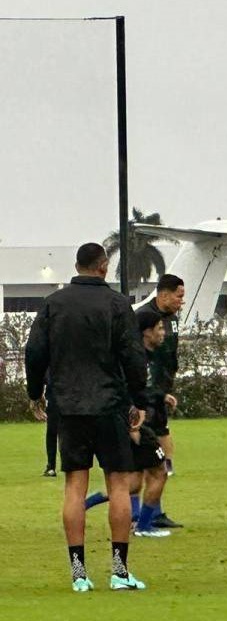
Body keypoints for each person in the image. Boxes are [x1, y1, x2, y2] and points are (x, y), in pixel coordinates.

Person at [25, 242, 150, 592]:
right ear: (103, 266)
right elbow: (133, 355)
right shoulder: (117, 304)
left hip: (69, 406)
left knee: (74, 488)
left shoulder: (54, 303)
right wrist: (138, 399)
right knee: (118, 485)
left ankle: (79, 573)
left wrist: (36, 393)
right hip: (109, 404)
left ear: (77, 266)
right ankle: (119, 571)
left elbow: (34, 351)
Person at [84, 308, 173, 538]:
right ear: (147, 332)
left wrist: (160, 396)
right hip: (134, 424)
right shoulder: (135, 357)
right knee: (160, 472)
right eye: (160, 328)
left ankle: (85, 504)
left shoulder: (134, 353)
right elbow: (129, 390)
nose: (163, 332)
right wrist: (132, 425)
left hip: (126, 421)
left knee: (132, 483)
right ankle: (143, 527)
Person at [137, 274, 185, 529]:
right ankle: (144, 515)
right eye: (179, 295)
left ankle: (152, 511)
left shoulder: (173, 320)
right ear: (163, 295)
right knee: (147, 461)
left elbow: (170, 356)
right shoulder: (143, 317)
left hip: (160, 394)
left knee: (159, 456)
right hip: (145, 397)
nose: (182, 301)